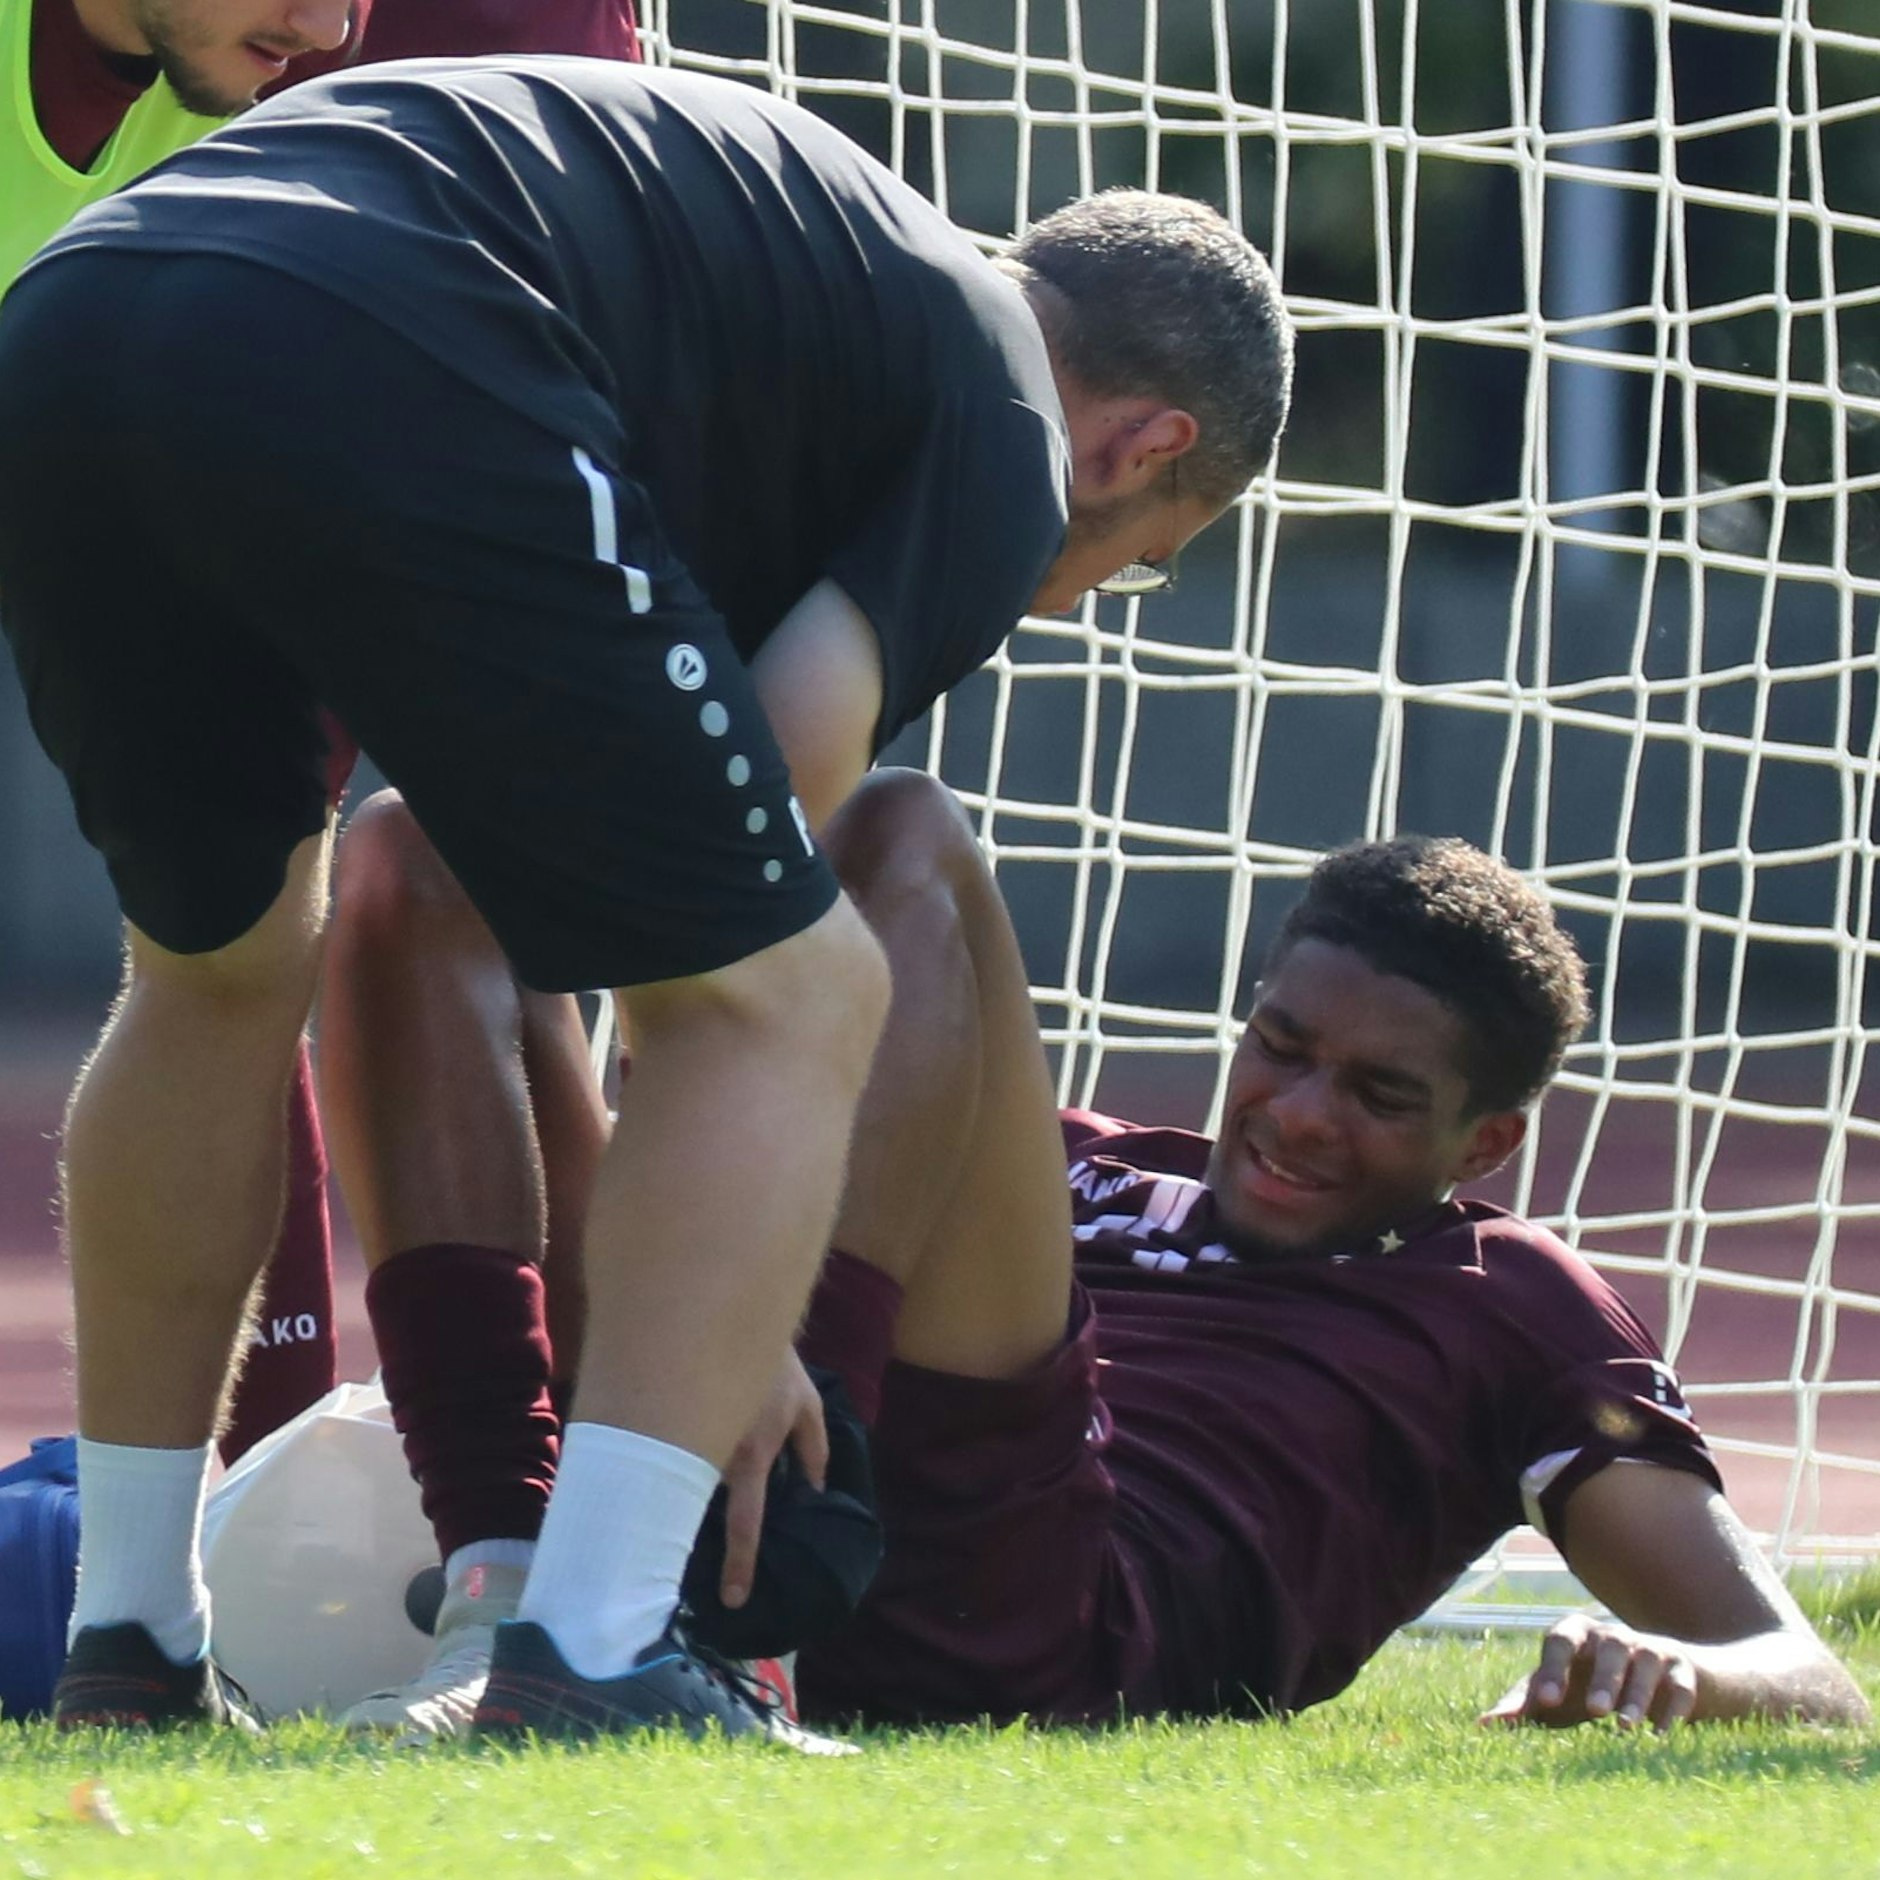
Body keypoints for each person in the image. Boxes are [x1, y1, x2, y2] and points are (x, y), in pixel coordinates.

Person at [0, 54, 1295, 1742]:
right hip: (382, 324)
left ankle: (131, 1647)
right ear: (1145, 449)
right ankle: (600, 1657)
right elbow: (745, 917)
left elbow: (595, 878)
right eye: (1134, 554)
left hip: (74, 318)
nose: (1072, 592)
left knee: (214, 974)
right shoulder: (1006, 421)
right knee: (804, 992)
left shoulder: (804, 298)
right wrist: (718, 1325)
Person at [759, 771, 1863, 1730]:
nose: (1297, 1115)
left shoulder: (1504, 1297)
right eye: (1279, 1048)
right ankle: (682, 1509)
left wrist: (1681, 1670)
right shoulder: (1078, 1159)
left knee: (905, 820)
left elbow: (1806, 1675)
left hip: (1043, 1621)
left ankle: (776, 1502)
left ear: (1483, 1141)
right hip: (877, 1493)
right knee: (595, 1029)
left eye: (1377, 1093)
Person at [4, 0, 642, 1460]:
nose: (325, 19)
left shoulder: (411, 76)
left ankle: (605, 1523)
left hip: (436, 235)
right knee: (225, 934)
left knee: (533, 873)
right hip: (160, 367)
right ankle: (198, 1538)